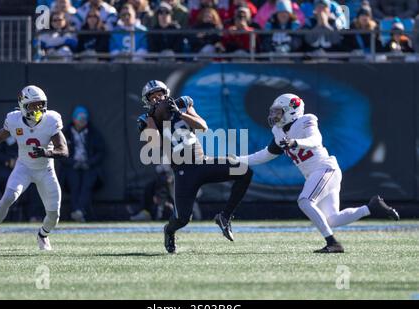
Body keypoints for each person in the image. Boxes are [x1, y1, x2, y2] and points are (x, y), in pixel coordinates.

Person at [237, 93, 400, 253]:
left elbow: (315, 140)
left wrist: (296, 142)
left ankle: (333, 243)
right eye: (273, 111)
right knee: (332, 219)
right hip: (317, 174)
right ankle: (372, 208)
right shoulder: (278, 132)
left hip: (324, 168)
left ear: (292, 111)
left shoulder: (306, 120)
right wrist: (238, 160)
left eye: (279, 112)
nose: (274, 116)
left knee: (304, 201)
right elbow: (265, 155)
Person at [137, 80, 253, 253]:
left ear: (166, 93)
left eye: (160, 94)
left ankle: (225, 216)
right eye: (153, 97)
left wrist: (179, 113)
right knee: (182, 219)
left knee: (244, 171)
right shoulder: (146, 119)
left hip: (202, 161)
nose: (157, 99)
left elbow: (203, 126)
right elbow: (154, 146)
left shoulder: (182, 103)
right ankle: (169, 230)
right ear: (147, 101)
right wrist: (155, 119)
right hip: (184, 172)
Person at [0, 85, 68, 251]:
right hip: (24, 167)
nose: (39, 108)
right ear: (23, 105)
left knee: (54, 215)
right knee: (9, 196)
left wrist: (46, 153)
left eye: (41, 104)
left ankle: (42, 234)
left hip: (45, 170)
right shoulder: (14, 119)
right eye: (34, 105)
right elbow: (2, 134)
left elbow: (64, 151)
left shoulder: (51, 120)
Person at [60, 106, 105, 222]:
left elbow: (100, 152)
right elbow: (60, 153)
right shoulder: (65, 133)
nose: (82, 121)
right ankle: (77, 210)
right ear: (74, 119)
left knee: (87, 182)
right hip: (72, 167)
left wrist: (88, 163)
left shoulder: (93, 133)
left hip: (89, 166)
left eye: (84, 119)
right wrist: (73, 162)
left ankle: (79, 211)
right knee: (74, 182)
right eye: (79, 119)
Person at [0, 136, 45, 222]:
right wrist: (9, 161)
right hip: (9, 170)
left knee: (36, 183)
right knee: (4, 180)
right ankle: (8, 214)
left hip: (27, 168)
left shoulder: (30, 135)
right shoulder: (5, 136)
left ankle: (34, 215)